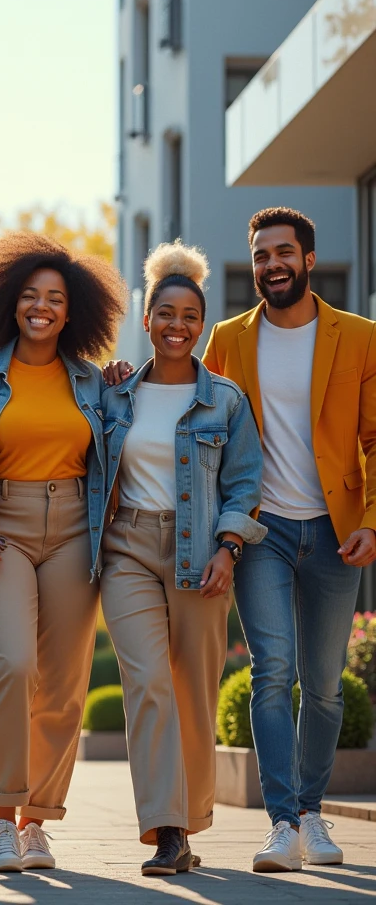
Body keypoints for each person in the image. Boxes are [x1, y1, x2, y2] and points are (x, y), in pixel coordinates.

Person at [0, 231, 126, 873]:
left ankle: (38, 822)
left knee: (65, 684)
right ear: (9, 303)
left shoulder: (93, 381)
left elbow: (126, 437)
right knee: (14, 665)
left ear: (74, 311)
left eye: (55, 298)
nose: (41, 307)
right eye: (29, 296)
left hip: (77, 527)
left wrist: (126, 384)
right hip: (0, 529)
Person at [203, 206, 376, 872]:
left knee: (325, 685)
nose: (271, 264)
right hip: (261, 529)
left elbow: (373, 439)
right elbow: (193, 416)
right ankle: (281, 824)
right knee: (272, 672)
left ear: (307, 259)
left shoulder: (359, 337)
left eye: (283, 252)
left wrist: (369, 522)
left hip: (337, 533)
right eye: (260, 255)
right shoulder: (228, 339)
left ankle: (312, 811)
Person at [100, 241, 266, 877]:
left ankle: (190, 823)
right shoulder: (114, 394)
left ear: (202, 324)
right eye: (164, 314)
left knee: (194, 692)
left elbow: (245, 482)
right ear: (146, 321)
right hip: (128, 548)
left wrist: (228, 547)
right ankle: (167, 829)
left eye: (189, 317)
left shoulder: (223, 400)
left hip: (203, 552)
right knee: (147, 685)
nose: (177, 326)